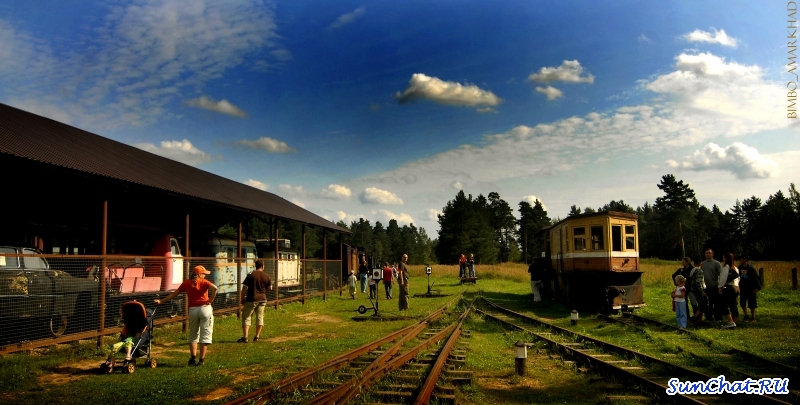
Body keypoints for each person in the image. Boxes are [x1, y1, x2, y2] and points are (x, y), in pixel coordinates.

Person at [155, 265, 218, 366]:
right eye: (204, 274)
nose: (205, 275)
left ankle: (193, 358)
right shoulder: (204, 282)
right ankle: (201, 360)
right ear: (200, 274)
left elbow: (173, 294)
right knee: (205, 335)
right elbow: (215, 288)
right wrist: (210, 300)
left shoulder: (186, 283)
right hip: (205, 309)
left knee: (193, 335)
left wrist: (161, 301)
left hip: (193, 310)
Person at [238, 260, 272, 343]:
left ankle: (245, 337)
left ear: (255, 266)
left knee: (247, 317)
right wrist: (263, 291)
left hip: (251, 299)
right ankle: (257, 336)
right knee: (260, 317)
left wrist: (241, 298)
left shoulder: (251, 275)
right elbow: (270, 288)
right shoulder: (267, 276)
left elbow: (244, 288)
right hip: (262, 299)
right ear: (263, 266)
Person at [738, 254, 761, 322]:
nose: (740, 260)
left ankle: (753, 317)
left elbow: (756, 278)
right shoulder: (739, 268)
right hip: (742, 288)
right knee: (743, 302)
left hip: (751, 288)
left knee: (752, 303)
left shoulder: (751, 268)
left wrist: (758, 287)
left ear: (745, 259)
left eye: (742, 258)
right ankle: (746, 316)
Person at [701, 249, 722, 322]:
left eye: (709, 253)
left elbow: (720, 274)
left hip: (715, 286)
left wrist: (720, 286)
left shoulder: (717, 263)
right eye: (706, 253)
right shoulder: (702, 264)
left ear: (712, 254)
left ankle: (718, 318)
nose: (708, 254)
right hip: (706, 287)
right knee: (707, 303)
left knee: (716, 303)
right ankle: (708, 318)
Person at [719, 252, 739, 328]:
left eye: (724, 257)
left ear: (726, 258)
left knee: (725, 304)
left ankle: (730, 321)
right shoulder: (735, 267)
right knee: (734, 305)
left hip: (729, 288)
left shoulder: (726, 267)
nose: (723, 259)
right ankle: (735, 322)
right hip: (736, 287)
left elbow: (723, 279)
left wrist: (720, 287)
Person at [688, 257, 709, 325]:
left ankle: (700, 320)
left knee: (700, 305)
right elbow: (698, 282)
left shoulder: (693, 270)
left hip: (693, 289)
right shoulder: (699, 271)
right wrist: (701, 291)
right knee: (704, 304)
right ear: (701, 263)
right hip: (698, 290)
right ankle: (694, 318)